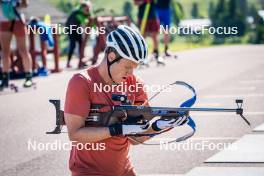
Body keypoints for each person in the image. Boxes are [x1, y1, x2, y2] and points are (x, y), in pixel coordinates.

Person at [64, 25, 187, 176]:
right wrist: (116, 129)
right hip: (88, 172)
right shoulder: (81, 82)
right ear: (111, 56)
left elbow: (135, 139)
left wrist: (159, 126)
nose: (130, 73)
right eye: (127, 66)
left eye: (134, 67)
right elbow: (75, 135)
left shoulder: (135, 84)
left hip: (124, 170)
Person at [0, 0, 33, 90]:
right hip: (4, 21)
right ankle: (5, 79)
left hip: (18, 21)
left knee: (23, 50)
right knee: (5, 52)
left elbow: (25, 4)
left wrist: (18, 4)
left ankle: (28, 77)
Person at [65, 0, 91, 69]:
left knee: (81, 45)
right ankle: (68, 63)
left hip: (77, 29)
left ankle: (81, 61)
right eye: (87, 9)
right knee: (72, 45)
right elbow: (84, 21)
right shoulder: (77, 12)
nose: (88, 10)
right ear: (83, 8)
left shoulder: (82, 11)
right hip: (71, 30)